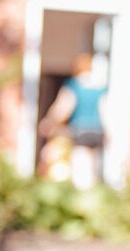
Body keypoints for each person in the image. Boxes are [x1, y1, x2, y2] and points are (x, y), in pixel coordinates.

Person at [39, 53, 108, 190]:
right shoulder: (99, 88)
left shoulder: (74, 85)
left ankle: (82, 193)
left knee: (80, 163)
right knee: (93, 163)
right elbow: (104, 109)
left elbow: (64, 106)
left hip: (80, 128)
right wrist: (108, 130)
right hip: (96, 129)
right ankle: (92, 190)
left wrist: (50, 121)